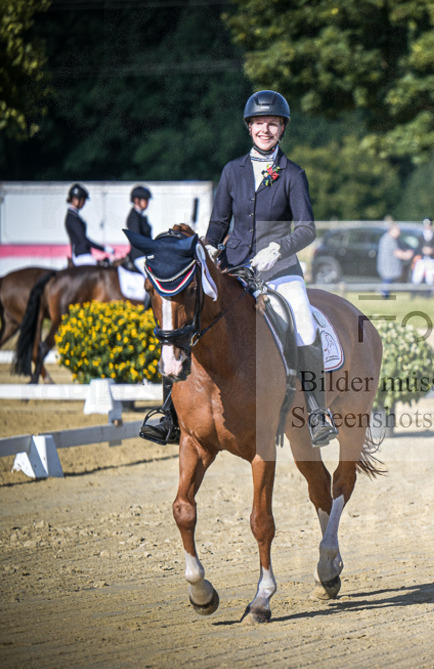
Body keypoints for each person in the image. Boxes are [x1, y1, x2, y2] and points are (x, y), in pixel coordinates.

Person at [141, 90, 339, 448]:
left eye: (273, 123)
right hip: (232, 269)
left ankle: (316, 413)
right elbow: (218, 222)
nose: (266, 129)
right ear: (250, 127)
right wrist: (212, 247)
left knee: (305, 325)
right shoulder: (232, 171)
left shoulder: (293, 174)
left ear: (282, 128)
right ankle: (168, 414)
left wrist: (279, 248)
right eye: (260, 123)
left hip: (279, 270)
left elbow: (307, 229)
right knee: (185, 320)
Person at [65, 184, 114, 266]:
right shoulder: (72, 218)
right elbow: (83, 240)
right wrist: (104, 249)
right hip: (82, 256)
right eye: (83, 200)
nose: (84, 203)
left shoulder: (74, 216)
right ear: (76, 199)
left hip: (84, 254)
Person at [376, 218, 414, 297]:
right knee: (387, 280)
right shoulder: (388, 239)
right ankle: (383, 292)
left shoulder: (393, 239)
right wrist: (406, 255)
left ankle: (384, 293)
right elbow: (396, 252)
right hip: (388, 266)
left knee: (389, 281)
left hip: (391, 266)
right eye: (397, 230)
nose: (399, 232)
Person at [125, 185, 153, 273]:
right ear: (137, 200)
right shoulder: (134, 217)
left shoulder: (140, 216)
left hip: (145, 254)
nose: (147, 202)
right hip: (139, 255)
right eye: (145, 200)